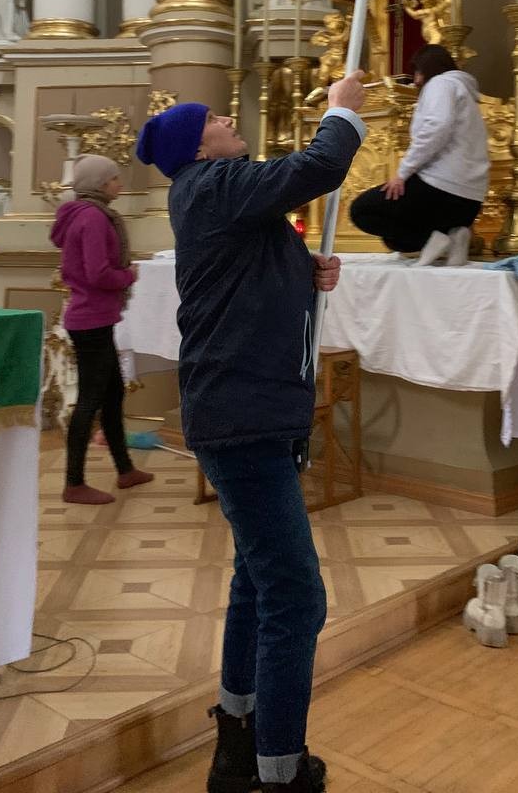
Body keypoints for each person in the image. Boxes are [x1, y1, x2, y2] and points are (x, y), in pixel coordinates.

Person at [136, 73, 366, 793]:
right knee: (296, 597)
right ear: (198, 147)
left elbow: (250, 273)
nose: (229, 118)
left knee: (255, 582)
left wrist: (306, 271)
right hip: (243, 416)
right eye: (215, 117)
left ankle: (237, 744)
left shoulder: (214, 193)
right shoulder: (214, 185)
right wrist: (341, 112)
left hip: (247, 410)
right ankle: (281, 773)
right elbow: (318, 168)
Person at [50, 153, 154, 505]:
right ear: (98, 184)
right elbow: (98, 273)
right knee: (90, 400)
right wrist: (129, 275)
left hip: (94, 317)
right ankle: (74, 483)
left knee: (112, 394)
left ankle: (125, 470)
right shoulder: (93, 218)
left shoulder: (82, 214)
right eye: (113, 179)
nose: (119, 184)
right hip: (91, 318)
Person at [350, 44, 489, 266]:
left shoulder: (440, 84)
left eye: (417, 72)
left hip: (442, 188)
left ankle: (433, 239)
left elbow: (436, 128)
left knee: (362, 210)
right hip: (470, 201)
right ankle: (454, 237)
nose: (415, 80)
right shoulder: (464, 91)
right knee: (394, 240)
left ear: (429, 68)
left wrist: (402, 173)